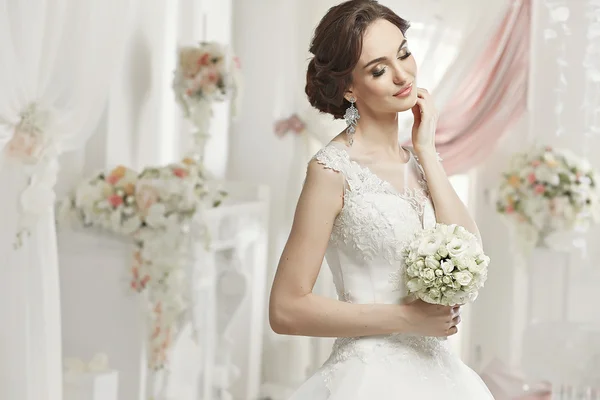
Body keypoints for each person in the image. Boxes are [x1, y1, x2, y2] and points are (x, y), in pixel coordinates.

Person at [268, 0, 494, 398]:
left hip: (439, 374)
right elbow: (286, 308)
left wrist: (427, 151)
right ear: (349, 88)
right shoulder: (331, 170)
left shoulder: (418, 163)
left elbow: (471, 251)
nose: (402, 75)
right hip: (368, 378)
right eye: (379, 69)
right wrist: (408, 318)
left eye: (403, 53)